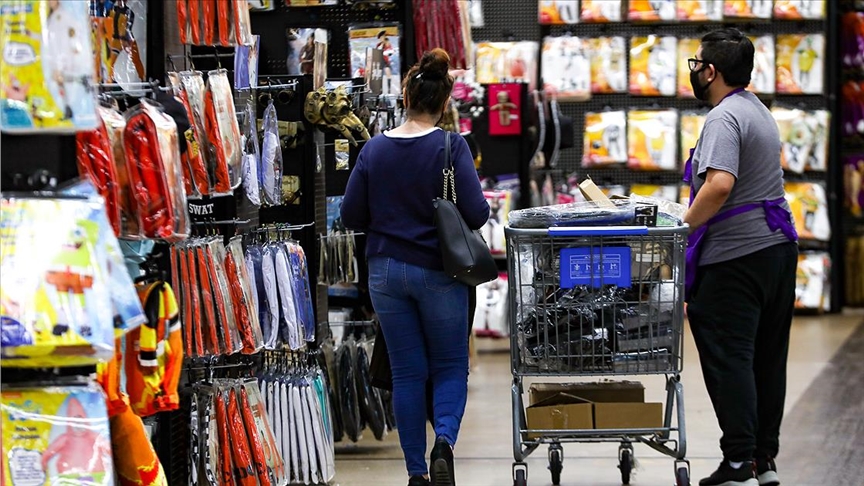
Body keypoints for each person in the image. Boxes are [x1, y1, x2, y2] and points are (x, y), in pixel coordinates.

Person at [341, 48, 489, 486]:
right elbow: (478, 214)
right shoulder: (451, 145)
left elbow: (351, 216)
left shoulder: (373, 150)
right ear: (445, 103)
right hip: (440, 272)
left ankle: (415, 473)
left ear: (405, 95)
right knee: (448, 366)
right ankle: (443, 442)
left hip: (385, 274)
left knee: (407, 372)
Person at [684, 28, 799, 486]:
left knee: (729, 354)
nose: (694, 71)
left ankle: (737, 463)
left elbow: (719, 184)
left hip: (737, 256)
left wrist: (681, 229)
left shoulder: (723, 117)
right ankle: (761, 461)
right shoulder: (759, 111)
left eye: (697, 64)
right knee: (766, 358)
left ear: (712, 71)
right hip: (776, 251)